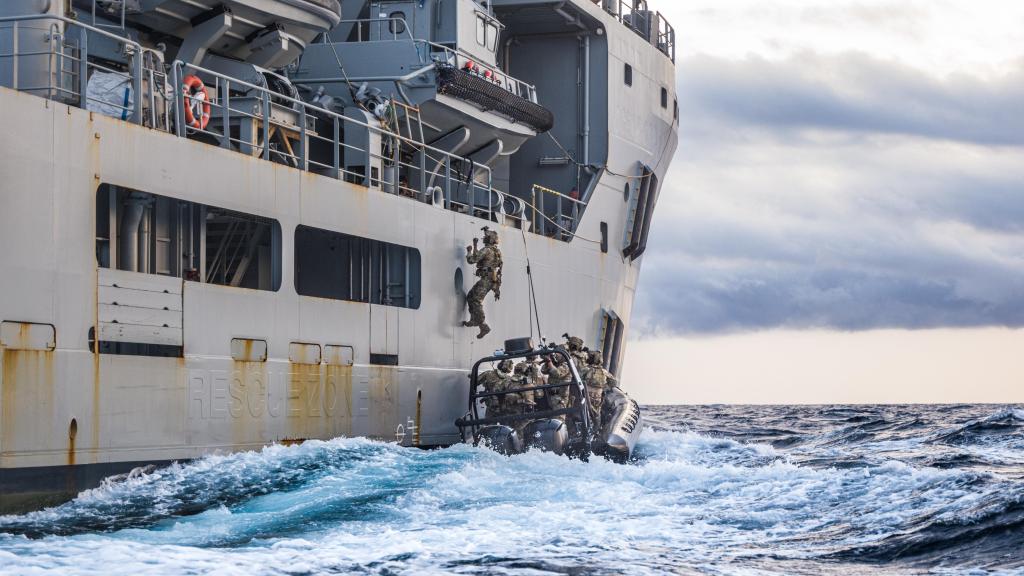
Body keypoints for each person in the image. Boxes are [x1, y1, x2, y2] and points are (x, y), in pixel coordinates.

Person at [463, 227, 502, 339]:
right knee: (470, 296)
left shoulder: (487, 250)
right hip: (491, 280)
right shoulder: (496, 251)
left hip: (486, 280)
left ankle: (483, 325)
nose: (484, 239)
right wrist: (475, 246)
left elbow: (472, 260)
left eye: (486, 237)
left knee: (475, 300)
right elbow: (479, 259)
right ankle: (474, 319)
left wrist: (469, 251)